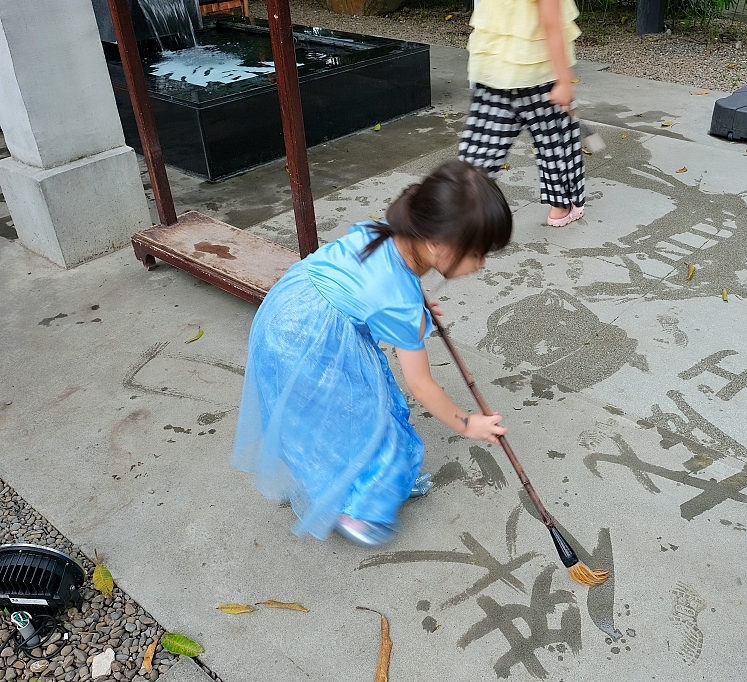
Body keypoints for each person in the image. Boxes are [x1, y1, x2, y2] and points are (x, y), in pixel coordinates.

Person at [232, 160, 512, 547]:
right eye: (477, 253)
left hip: (286, 311)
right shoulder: (400, 303)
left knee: (321, 418)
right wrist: (468, 424)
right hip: (308, 342)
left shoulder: (383, 231)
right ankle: (354, 509)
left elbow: (370, 284)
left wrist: (411, 307)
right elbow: (422, 386)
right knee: (366, 425)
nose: (480, 265)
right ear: (437, 243)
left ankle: (324, 475)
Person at [458, 0, 586, 227]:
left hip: (494, 69)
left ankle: (460, 205)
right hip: (537, 71)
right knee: (556, 142)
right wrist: (564, 80)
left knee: (482, 146)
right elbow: (551, 21)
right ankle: (561, 207)